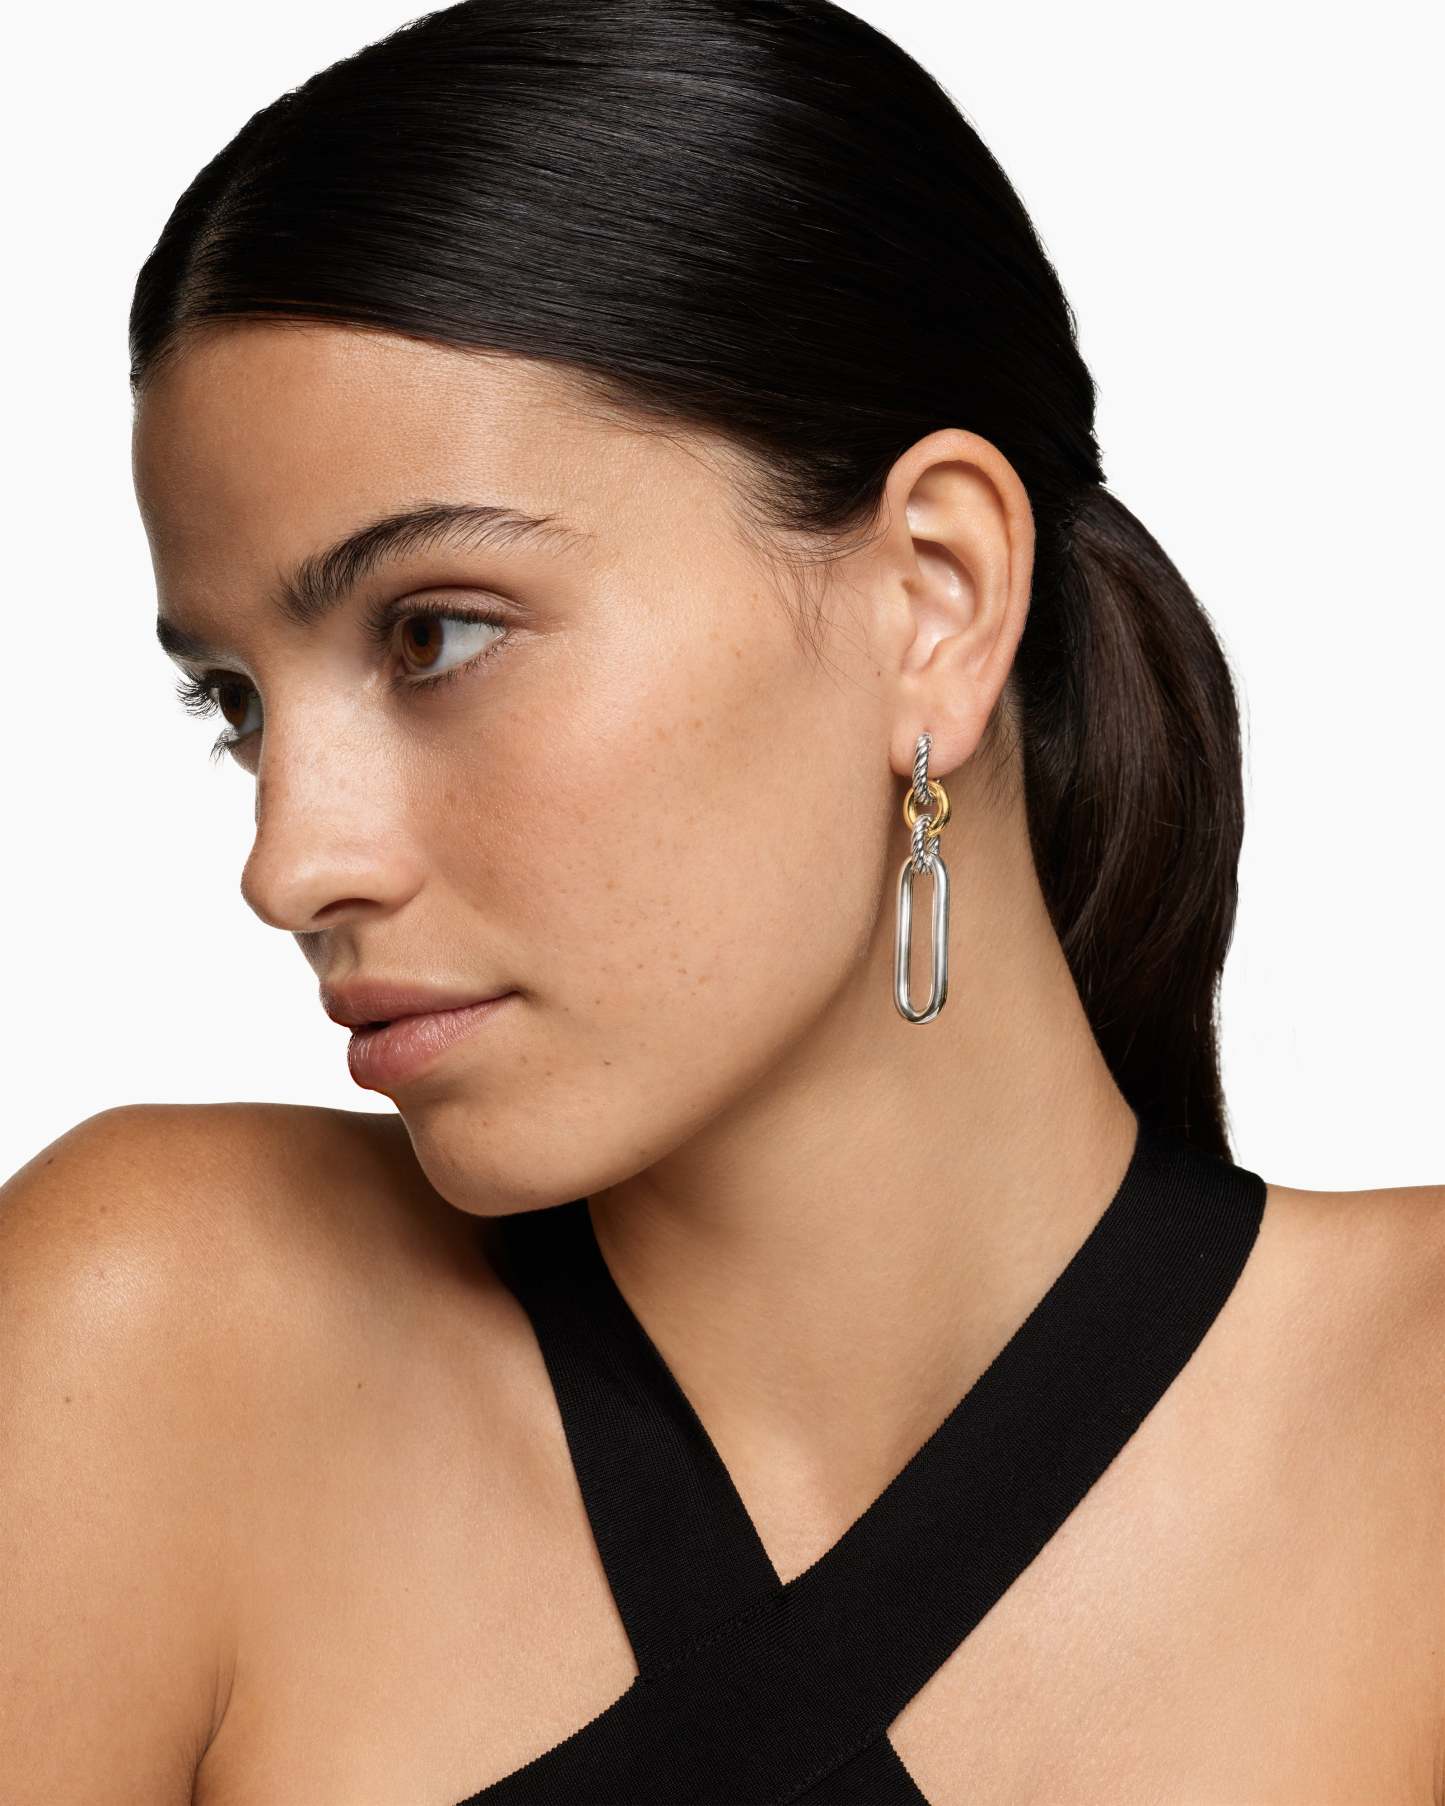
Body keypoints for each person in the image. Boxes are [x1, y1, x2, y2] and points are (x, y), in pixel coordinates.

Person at [2, 1, 1441, 1800]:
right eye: (238, 702)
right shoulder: (158, 1345)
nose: (289, 864)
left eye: (435, 633)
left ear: (931, 598)